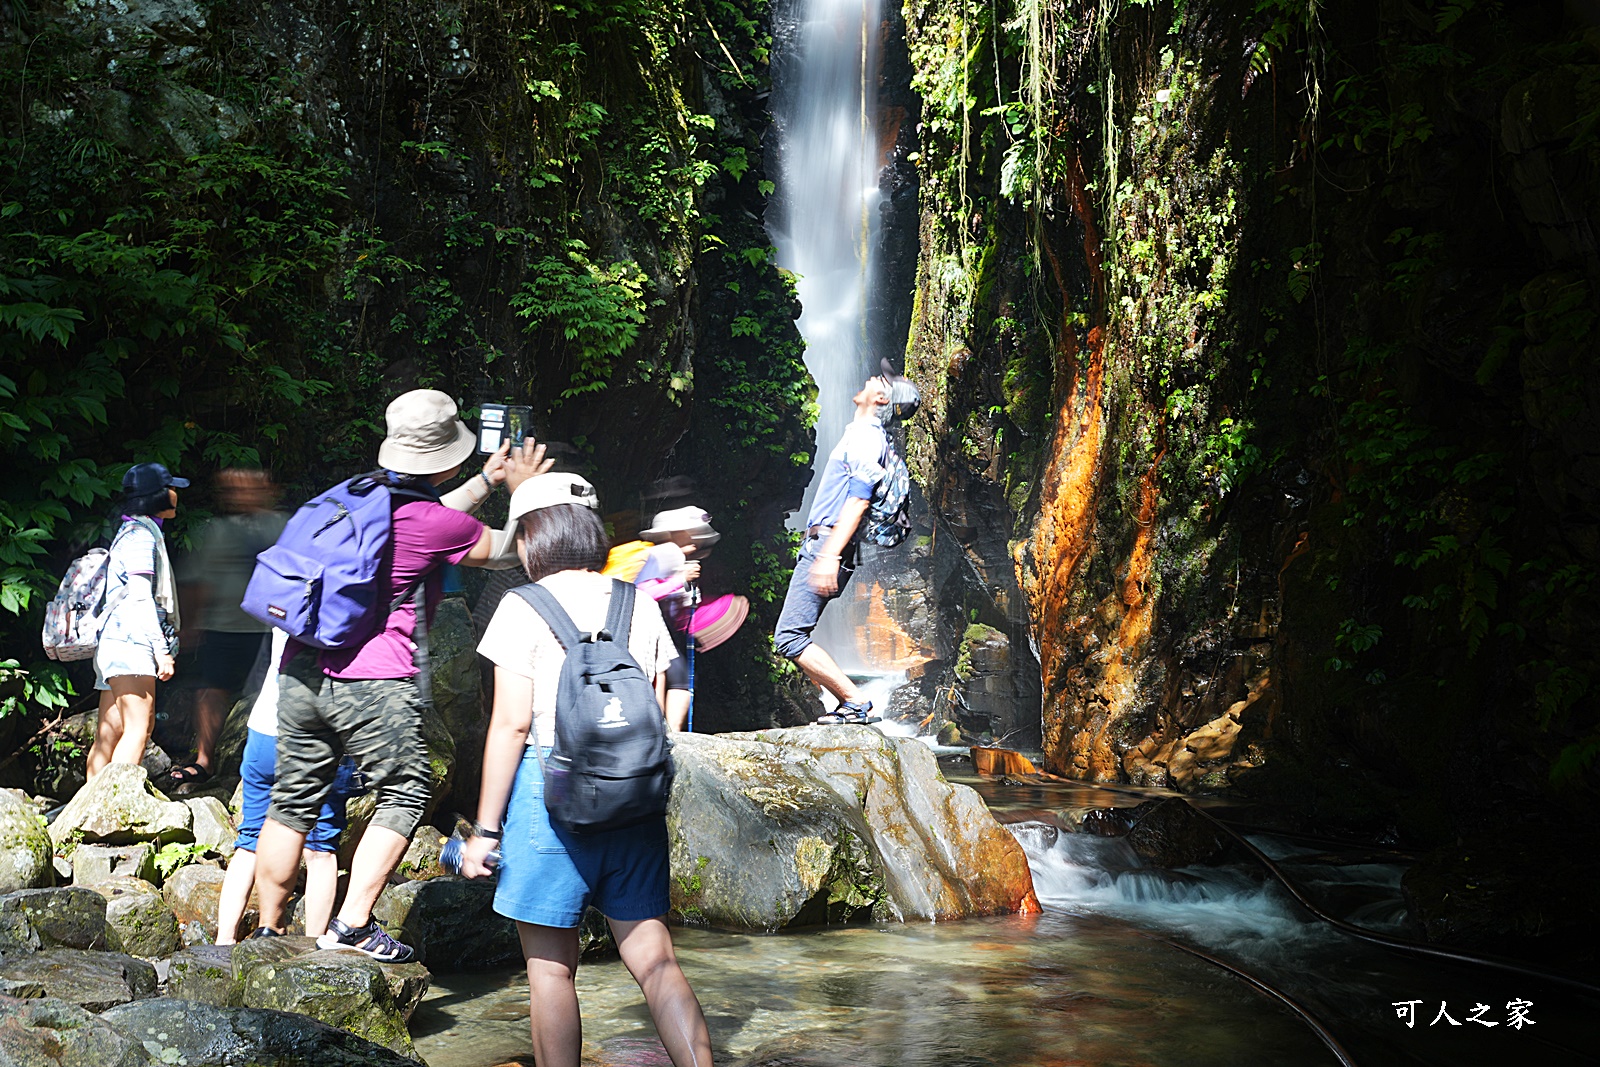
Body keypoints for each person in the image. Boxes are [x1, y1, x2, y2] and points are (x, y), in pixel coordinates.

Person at [249, 389, 550, 960]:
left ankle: (267, 933)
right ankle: (354, 925)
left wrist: (485, 482)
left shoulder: (351, 496)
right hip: (373, 679)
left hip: (301, 669)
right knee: (407, 789)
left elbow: (432, 518)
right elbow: (511, 550)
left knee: (292, 801)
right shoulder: (433, 523)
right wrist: (523, 490)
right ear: (448, 458)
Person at [460, 472, 713, 1067]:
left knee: (550, 972)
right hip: (633, 797)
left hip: (547, 795)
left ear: (532, 537)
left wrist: (485, 831)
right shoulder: (637, 603)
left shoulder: (521, 606)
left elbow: (511, 726)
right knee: (655, 960)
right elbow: (649, 709)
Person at [772, 369, 919, 724]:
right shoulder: (860, 434)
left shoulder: (868, 439)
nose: (872, 377)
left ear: (882, 400)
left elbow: (857, 502)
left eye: (880, 382)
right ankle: (850, 702)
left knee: (789, 637)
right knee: (791, 635)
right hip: (825, 543)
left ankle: (855, 702)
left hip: (827, 545)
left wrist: (828, 555)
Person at [214, 630, 356, 945]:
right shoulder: (354, 606)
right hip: (317, 739)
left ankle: (223, 943)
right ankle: (312, 948)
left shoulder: (291, 591)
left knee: (250, 840)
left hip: (264, 728)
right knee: (319, 849)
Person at [172, 469, 288, 787]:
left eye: (248, 488)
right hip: (221, 626)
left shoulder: (282, 526)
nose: (240, 495)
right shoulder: (216, 530)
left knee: (272, 694)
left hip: (270, 628)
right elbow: (197, 580)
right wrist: (190, 625)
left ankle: (270, 763)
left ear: (268, 489)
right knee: (210, 690)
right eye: (233, 489)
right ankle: (205, 760)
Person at [88, 462, 187, 778]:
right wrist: (161, 650)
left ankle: (84, 817)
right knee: (139, 729)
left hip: (115, 643)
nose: (176, 494)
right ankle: (113, 814)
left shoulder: (130, 530)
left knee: (109, 733)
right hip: (131, 643)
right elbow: (141, 596)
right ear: (155, 496)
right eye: (171, 488)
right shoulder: (142, 536)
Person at [634, 506, 748, 731]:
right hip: (644, 628)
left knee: (680, 679)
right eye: (690, 534)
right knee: (658, 678)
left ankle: (673, 735)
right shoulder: (659, 556)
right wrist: (679, 580)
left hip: (668, 629)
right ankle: (660, 733)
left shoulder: (678, 559)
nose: (695, 542)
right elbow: (641, 593)